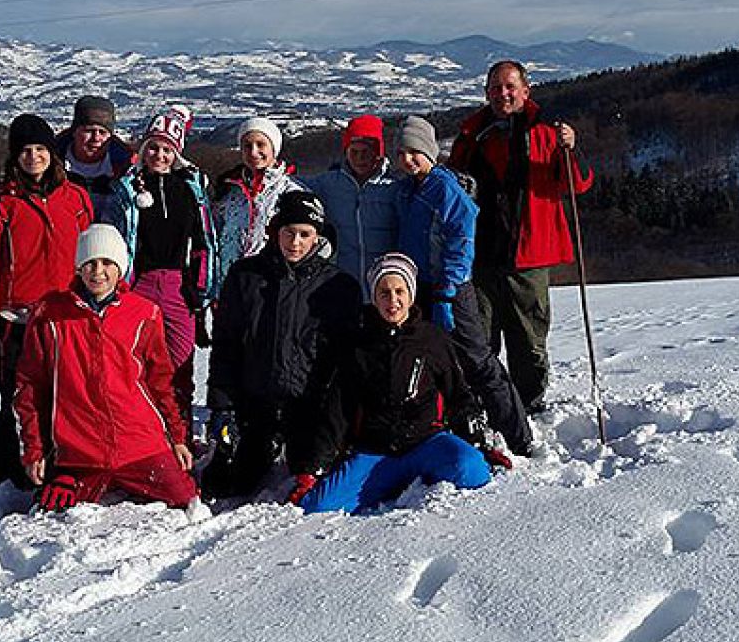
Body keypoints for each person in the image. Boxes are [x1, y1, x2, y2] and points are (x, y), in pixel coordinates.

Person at [295, 253, 510, 514]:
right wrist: (313, 469)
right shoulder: (358, 346)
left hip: (426, 442)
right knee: (319, 506)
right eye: (384, 293)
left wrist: (479, 445)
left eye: (400, 291)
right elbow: (338, 410)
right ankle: (391, 483)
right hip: (376, 452)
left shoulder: (433, 339)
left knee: (472, 470)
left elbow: (459, 396)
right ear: (373, 297)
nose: (393, 301)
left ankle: (422, 477)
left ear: (411, 294)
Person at [14, 224, 197, 512]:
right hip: (81, 450)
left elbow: (160, 382)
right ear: (78, 268)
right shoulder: (50, 315)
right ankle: (68, 476)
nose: (98, 271)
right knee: (52, 506)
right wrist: (36, 451)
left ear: (121, 267)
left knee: (184, 497)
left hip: (138, 443)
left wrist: (177, 438)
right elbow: (30, 386)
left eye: (108, 263)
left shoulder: (144, 313)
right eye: (89, 263)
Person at [449, 60, 594, 414]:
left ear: (525, 91)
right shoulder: (471, 135)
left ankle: (529, 402)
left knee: (528, 336)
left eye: (510, 87)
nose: (503, 94)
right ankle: (485, 401)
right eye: (496, 88)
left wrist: (571, 149)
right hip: (480, 254)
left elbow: (577, 184)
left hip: (529, 253)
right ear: (486, 94)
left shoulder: (547, 132)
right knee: (479, 335)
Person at [203, 190, 362, 500]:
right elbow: (227, 346)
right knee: (227, 485)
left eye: (305, 234)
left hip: (308, 406)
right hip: (256, 400)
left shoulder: (339, 286)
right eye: (289, 232)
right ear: (276, 231)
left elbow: (346, 364)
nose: (296, 242)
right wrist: (222, 407)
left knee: (311, 477)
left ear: (318, 237)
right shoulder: (246, 276)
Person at [394, 116, 533, 456]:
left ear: (430, 152)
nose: (409, 159)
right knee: (433, 359)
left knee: (476, 358)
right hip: (419, 288)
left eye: (416, 152)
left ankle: (518, 434)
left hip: (451, 290)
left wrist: (448, 288)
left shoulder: (443, 187)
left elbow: (461, 239)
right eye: (402, 153)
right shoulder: (408, 188)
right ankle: (451, 424)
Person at [0, 113, 93, 488]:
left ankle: (64, 464)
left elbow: (92, 256)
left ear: (53, 154)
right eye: (25, 150)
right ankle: (7, 468)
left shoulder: (75, 198)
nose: (33, 157)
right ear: (14, 157)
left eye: (40, 149)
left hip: (66, 315)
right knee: (18, 398)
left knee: (67, 396)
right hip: (17, 319)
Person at [101, 105, 219, 438]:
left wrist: (200, 288)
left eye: (167, 149)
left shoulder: (188, 190)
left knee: (180, 361)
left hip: (177, 286)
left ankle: (178, 431)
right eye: (153, 147)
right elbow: (113, 239)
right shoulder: (126, 190)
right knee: (135, 358)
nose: (159, 155)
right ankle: (139, 429)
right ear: (143, 149)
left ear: (177, 153)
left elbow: (203, 241)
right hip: (138, 283)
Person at [301, 113, 398, 297]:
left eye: (366, 152)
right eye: (354, 152)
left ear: (378, 153)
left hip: (384, 287)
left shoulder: (394, 186)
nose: (359, 158)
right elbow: (294, 186)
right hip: (342, 282)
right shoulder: (330, 183)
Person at [212, 116, 302, 280]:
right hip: (229, 280)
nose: (253, 152)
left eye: (261, 145)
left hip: (270, 280)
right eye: (247, 146)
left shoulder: (291, 192)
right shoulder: (230, 190)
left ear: (274, 148)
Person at [54, 95, 135, 214]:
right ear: (75, 132)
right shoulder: (51, 165)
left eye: (102, 132)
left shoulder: (126, 168)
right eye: (89, 131)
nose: (96, 138)